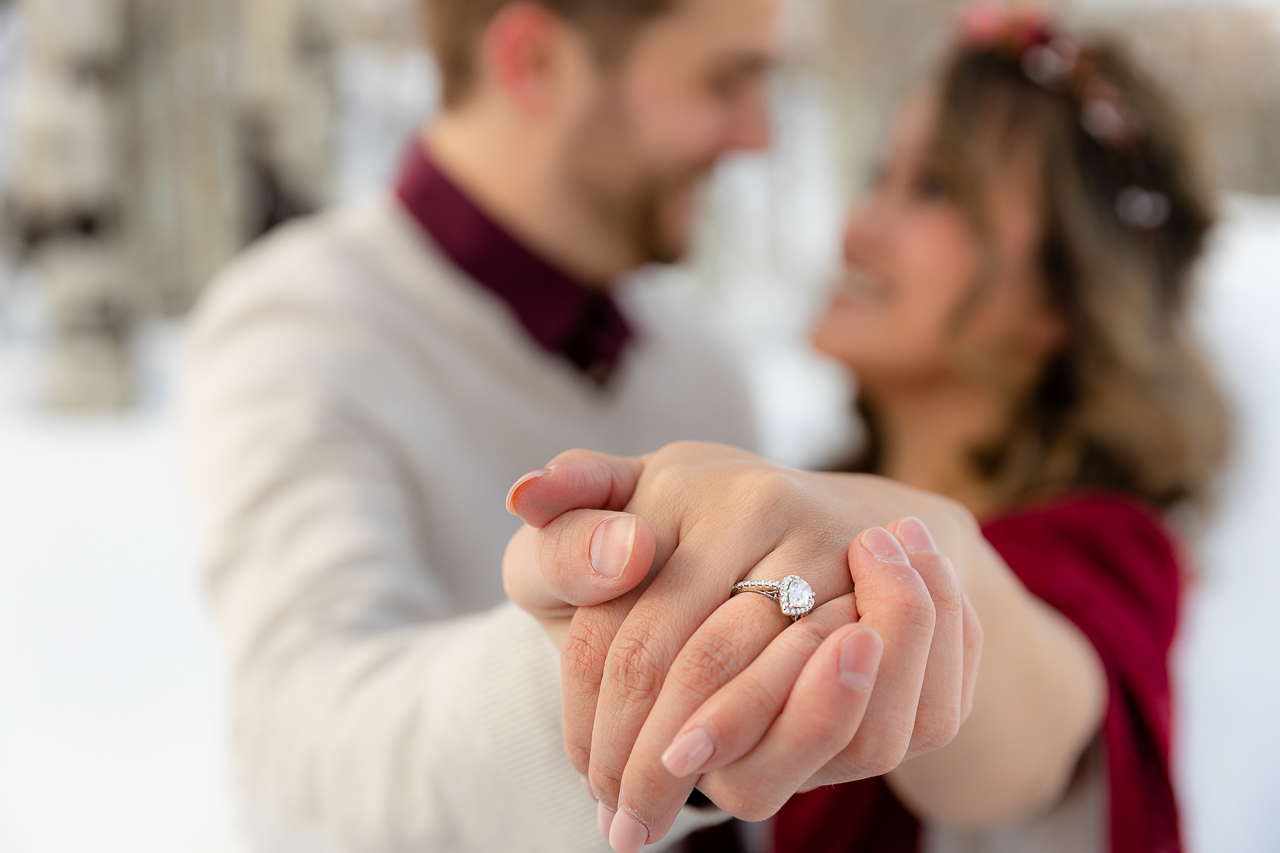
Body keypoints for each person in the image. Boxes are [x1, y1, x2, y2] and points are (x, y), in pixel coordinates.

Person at [180, 1, 980, 850]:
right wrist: (634, 670)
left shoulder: (700, 365)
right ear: (539, 64)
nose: (758, 136)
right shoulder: (297, 330)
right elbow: (303, 752)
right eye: (725, 79)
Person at [503, 7, 1229, 853]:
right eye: (879, 174)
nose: (857, 227)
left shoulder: (1111, 553)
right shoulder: (792, 512)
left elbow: (1031, 730)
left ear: (1063, 301)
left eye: (935, 188)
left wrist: (926, 556)